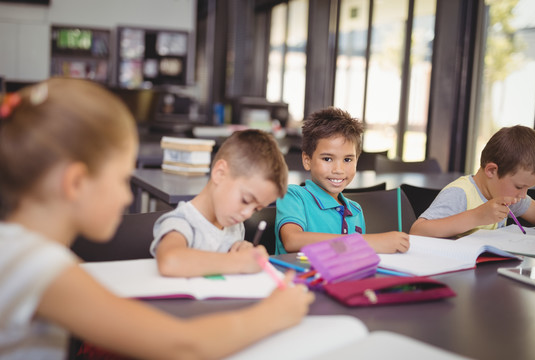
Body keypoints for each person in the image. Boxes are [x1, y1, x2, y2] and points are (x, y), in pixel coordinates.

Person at [0, 78, 313, 360]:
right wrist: (273, 315)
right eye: (123, 179)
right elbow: (185, 346)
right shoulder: (40, 269)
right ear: (76, 183)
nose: (127, 196)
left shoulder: (27, 254)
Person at [150, 129, 288, 277]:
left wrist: (244, 249)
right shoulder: (181, 222)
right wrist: (239, 262)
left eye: (256, 209)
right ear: (220, 173)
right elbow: (169, 262)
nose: (247, 214)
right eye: (245, 200)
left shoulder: (234, 226)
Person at [275, 107, 410, 254]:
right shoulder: (294, 196)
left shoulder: (355, 211)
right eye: (327, 159)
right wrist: (368, 242)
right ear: (307, 160)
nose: (338, 169)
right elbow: (292, 240)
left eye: (347, 159)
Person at [410, 125, 535, 238]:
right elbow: (417, 231)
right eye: (519, 186)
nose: (523, 195)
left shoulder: (508, 196)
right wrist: (477, 216)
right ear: (491, 171)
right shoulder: (461, 194)